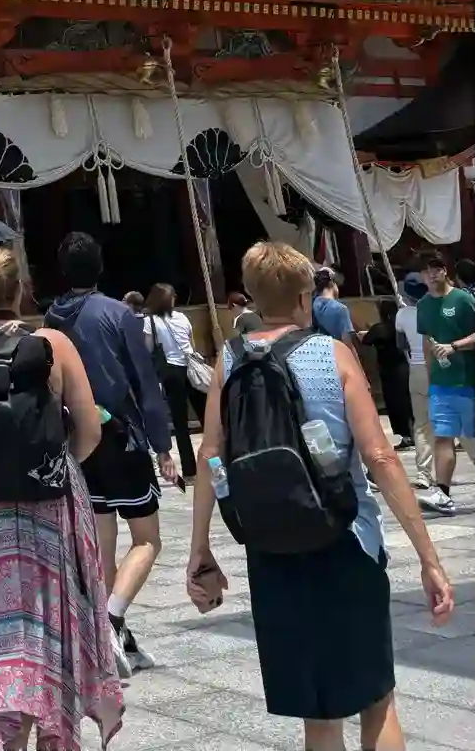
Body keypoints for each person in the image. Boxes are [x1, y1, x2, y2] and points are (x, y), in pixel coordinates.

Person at [186, 241, 454, 752]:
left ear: (253, 297)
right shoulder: (333, 354)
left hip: (270, 547)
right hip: (344, 539)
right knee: (377, 699)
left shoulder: (230, 360)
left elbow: (210, 455)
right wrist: (429, 557)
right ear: (304, 297)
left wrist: (201, 549)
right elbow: (380, 456)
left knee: (319, 715)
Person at [0, 246, 122, 752]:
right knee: (53, 609)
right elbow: (89, 429)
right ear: (21, 289)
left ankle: (4, 728)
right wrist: (55, 461)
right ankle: (55, 727)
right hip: (53, 501)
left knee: (1, 620)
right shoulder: (53, 344)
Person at [45, 232, 178, 679]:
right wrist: (163, 444)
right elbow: (144, 380)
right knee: (147, 539)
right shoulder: (118, 314)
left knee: (103, 543)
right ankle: (112, 620)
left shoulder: (52, 318)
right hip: (122, 435)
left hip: (79, 438)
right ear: (100, 267)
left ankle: (117, 638)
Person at [416, 248, 476, 518]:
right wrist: (430, 380)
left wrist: (455, 346)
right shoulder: (423, 306)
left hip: (468, 381)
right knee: (442, 437)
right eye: (425, 270)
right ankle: (443, 493)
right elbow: (426, 343)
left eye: (436, 268)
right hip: (441, 386)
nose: (431, 274)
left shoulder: (463, 300)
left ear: (445, 270)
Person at [144, 283, 197, 482]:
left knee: (180, 424)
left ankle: (190, 472)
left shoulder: (150, 321)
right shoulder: (183, 317)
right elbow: (191, 344)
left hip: (171, 371)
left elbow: (148, 349)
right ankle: (217, 465)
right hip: (192, 368)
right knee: (208, 420)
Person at [395, 273, 435, 492]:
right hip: (439, 365)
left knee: (421, 425)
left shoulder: (401, 315)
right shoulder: (435, 309)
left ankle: (423, 473)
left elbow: (401, 345)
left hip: (417, 369)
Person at [362, 299, 414, 450]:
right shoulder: (401, 327)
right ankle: (415, 433)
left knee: (394, 404)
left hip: (389, 372)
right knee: (408, 403)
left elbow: (366, 340)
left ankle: (405, 435)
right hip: (404, 367)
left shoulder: (379, 328)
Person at [311, 267, 356, 345]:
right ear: (332, 284)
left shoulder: (310, 306)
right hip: (337, 350)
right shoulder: (340, 309)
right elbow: (348, 343)